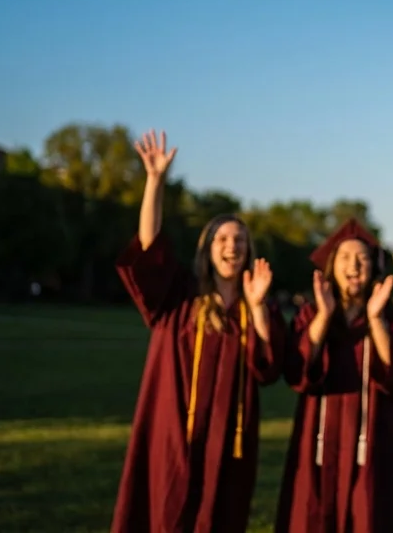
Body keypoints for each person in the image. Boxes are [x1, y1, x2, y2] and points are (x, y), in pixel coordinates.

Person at [111, 130, 286, 533]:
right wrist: (155, 182)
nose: (232, 245)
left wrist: (258, 309)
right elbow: (149, 247)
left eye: (240, 239)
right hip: (170, 435)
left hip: (229, 447)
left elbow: (269, 368)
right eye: (223, 238)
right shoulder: (178, 298)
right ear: (207, 248)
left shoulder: (255, 307)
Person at [276, 218, 393, 533]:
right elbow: (296, 371)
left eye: (362, 258)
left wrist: (375, 320)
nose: (353, 265)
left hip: (371, 442)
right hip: (317, 442)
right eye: (344, 258)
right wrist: (325, 316)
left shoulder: (391, 317)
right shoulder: (311, 314)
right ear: (332, 266)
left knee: (368, 516)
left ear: (373, 267)